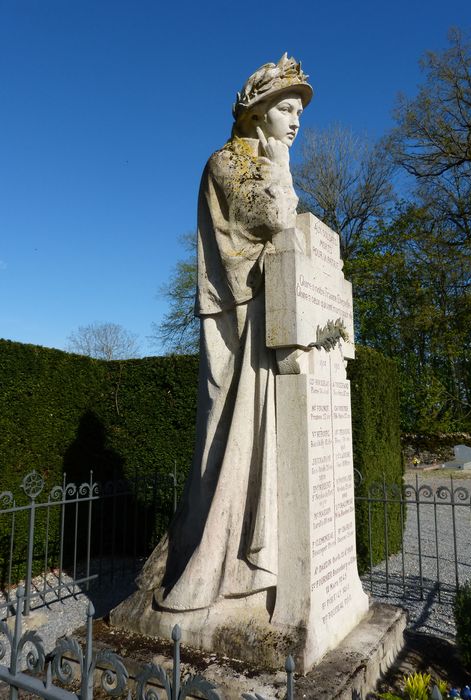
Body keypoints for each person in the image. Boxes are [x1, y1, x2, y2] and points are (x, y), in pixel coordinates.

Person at [136, 54, 313, 614]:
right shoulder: (227, 162)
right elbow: (274, 218)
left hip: (265, 313)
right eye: (287, 108)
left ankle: (257, 551)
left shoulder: (266, 162)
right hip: (236, 322)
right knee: (227, 439)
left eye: (299, 111)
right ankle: (221, 556)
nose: (296, 120)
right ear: (258, 112)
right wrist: (281, 167)